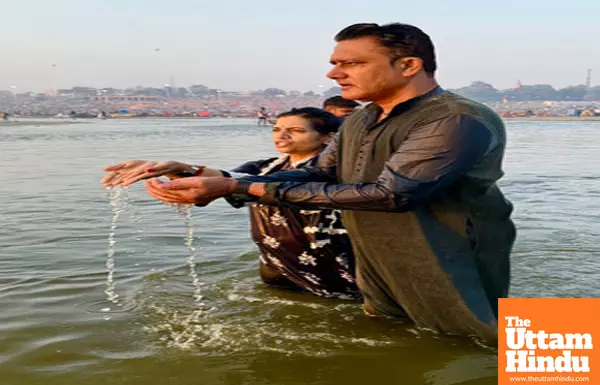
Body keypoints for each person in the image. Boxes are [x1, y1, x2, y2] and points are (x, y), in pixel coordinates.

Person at [141, 23, 516, 344]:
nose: (334, 75)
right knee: (398, 339)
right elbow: (321, 172)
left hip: (449, 251)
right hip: (376, 251)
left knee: (487, 338)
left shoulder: (455, 119)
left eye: (351, 63)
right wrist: (216, 176)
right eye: (335, 64)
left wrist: (241, 189)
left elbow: (393, 194)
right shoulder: (361, 119)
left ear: (409, 65)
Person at [101, 108, 360, 300]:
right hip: (277, 264)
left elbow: (253, 183)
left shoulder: (341, 170)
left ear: (328, 138)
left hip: (333, 263)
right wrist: (171, 169)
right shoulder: (266, 166)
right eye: (276, 129)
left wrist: (194, 173)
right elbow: (226, 178)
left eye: (295, 131)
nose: (281, 136)